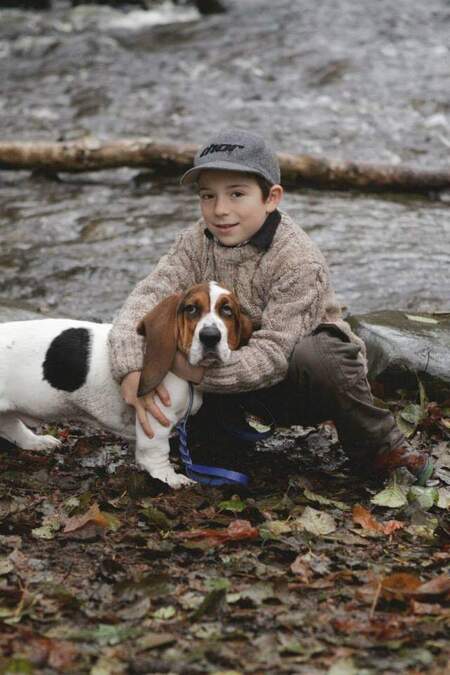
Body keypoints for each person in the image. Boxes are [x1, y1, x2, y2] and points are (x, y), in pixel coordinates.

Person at [108, 129, 433, 484]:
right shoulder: (195, 241)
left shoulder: (297, 259)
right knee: (178, 327)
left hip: (295, 382)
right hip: (224, 370)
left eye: (237, 194)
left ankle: (380, 447)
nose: (220, 209)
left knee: (320, 355)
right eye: (207, 196)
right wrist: (129, 369)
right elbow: (145, 297)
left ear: (271, 198)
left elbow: (275, 353)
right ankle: (221, 434)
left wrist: (191, 371)